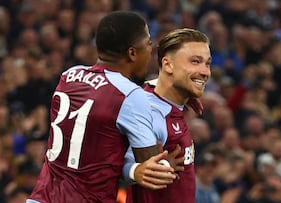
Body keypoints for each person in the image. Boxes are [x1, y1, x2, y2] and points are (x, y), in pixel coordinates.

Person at [26, 11, 177, 203]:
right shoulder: (129, 95)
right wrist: (164, 164)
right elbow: (150, 166)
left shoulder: (69, 76)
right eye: (148, 43)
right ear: (132, 53)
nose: (151, 49)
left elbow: (93, 143)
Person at [124, 28, 212, 203]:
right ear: (167, 65)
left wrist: (184, 94)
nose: (205, 72)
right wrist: (157, 168)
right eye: (195, 62)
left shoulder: (161, 98)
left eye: (207, 63)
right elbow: (121, 165)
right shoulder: (151, 113)